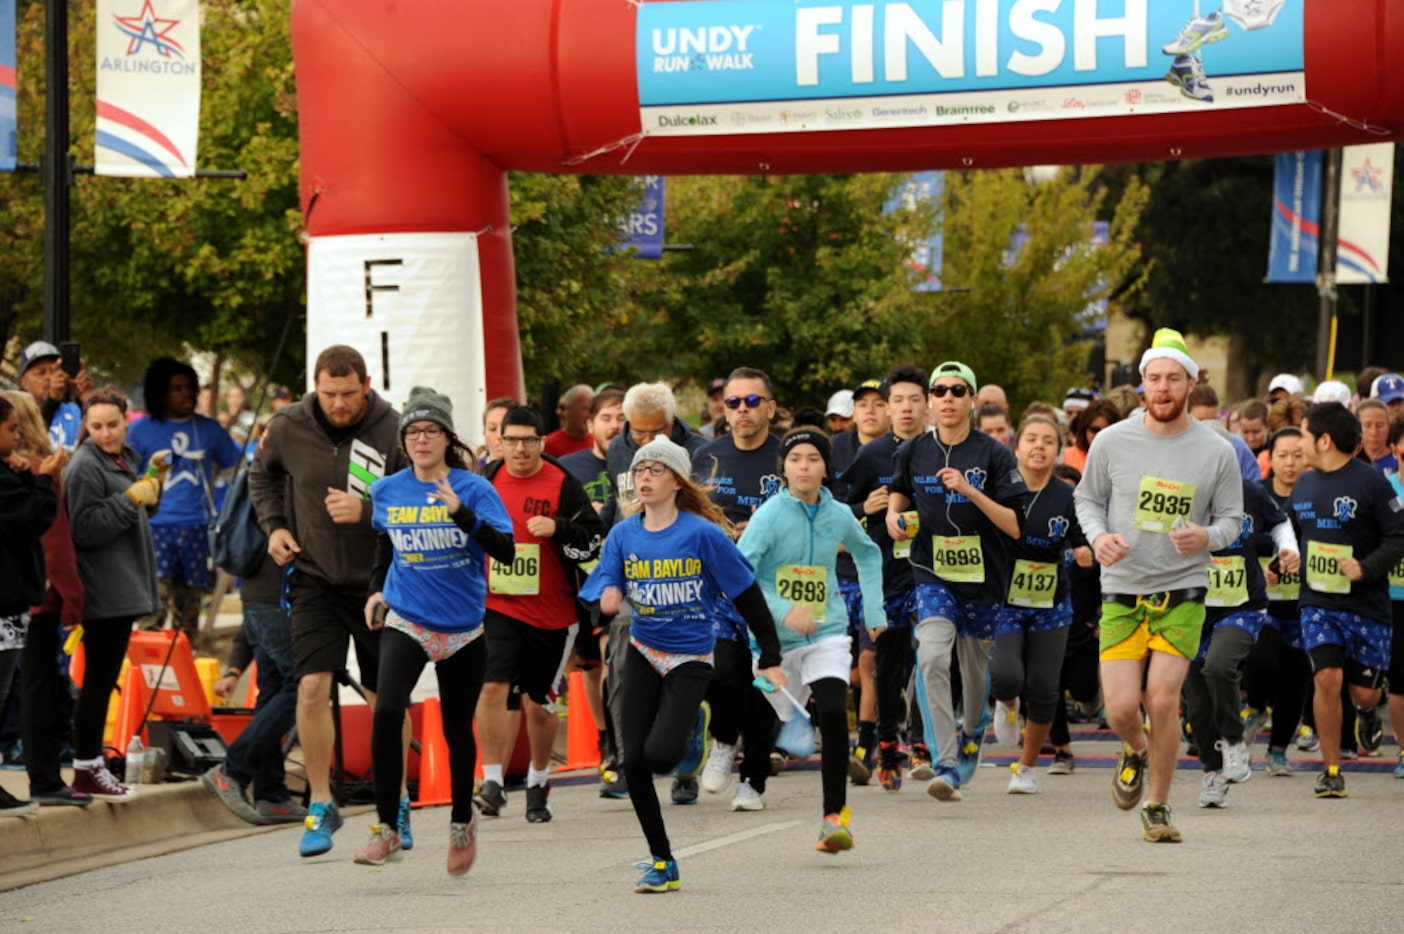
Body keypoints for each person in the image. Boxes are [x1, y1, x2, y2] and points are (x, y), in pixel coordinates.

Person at [579, 437, 785, 893]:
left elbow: (745, 592)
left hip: (691, 655)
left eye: (656, 470)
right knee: (634, 761)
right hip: (644, 651)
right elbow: (603, 584)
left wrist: (768, 652)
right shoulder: (624, 534)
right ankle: (662, 861)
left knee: (663, 756)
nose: (645, 478)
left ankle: (699, 720)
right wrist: (605, 601)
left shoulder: (701, 534)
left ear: (676, 481)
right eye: (640, 471)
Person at [1074, 328, 1242, 843]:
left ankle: (1159, 805)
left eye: (1173, 378)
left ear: (1192, 383)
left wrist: (1206, 536)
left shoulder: (1216, 450)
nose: (1163, 388)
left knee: (1162, 701)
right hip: (1123, 587)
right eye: (1154, 379)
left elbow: (1234, 520)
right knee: (1124, 709)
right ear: (1143, 383)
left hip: (1182, 589)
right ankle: (1136, 749)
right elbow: (1087, 500)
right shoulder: (1112, 440)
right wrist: (1099, 538)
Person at [249, 345, 407, 856]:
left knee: (386, 699)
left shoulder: (393, 430)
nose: (338, 404)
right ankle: (321, 803)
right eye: (328, 393)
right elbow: (263, 475)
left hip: (380, 581)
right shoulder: (289, 425)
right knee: (312, 685)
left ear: (366, 385)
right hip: (314, 577)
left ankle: (396, 801)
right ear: (315, 386)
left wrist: (367, 511)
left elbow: (420, 498)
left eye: (348, 394)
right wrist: (274, 528)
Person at [358, 387, 515, 874]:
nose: (421, 439)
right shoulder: (387, 490)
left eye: (431, 431)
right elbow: (385, 545)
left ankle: (462, 821)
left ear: (448, 438)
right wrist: (376, 589)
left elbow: (505, 552)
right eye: (412, 432)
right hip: (407, 616)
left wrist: (461, 516)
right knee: (386, 710)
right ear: (403, 441)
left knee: (454, 728)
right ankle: (387, 827)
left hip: (463, 628)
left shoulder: (474, 489)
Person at [887, 361, 1032, 802]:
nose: (947, 397)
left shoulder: (993, 454)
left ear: (972, 402)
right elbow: (900, 493)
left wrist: (971, 492)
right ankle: (945, 762)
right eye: (940, 390)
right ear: (931, 401)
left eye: (957, 390)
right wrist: (894, 516)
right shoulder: (913, 451)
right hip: (931, 572)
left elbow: (1015, 526)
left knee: (973, 675)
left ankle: (973, 729)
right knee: (931, 656)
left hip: (983, 578)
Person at [738, 427, 885, 851]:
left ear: (826, 467)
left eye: (813, 459)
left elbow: (868, 552)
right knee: (770, 722)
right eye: (796, 459)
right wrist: (784, 611)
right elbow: (739, 574)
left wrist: (874, 612)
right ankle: (752, 778)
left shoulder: (838, 513)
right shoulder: (768, 516)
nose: (804, 466)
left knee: (836, 711)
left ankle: (833, 819)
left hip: (826, 632)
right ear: (783, 468)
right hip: (772, 642)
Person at [475, 406, 603, 822]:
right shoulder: (487, 480)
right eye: (510, 439)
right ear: (499, 441)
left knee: (539, 702)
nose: (519, 448)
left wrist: (559, 528)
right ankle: (491, 780)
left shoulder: (563, 483)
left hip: (552, 611)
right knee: (492, 684)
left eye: (528, 440)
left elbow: (595, 540)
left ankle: (538, 779)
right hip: (499, 604)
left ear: (541, 442)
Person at [1289, 402, 1404, 798]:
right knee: (1326, 676)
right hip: (1318, 603)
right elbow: (1287, 534)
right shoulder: (1303, 485)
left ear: (1323, 439)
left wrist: (1366, 568)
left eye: (1302, 434)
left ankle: (1368, 714)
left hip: (1367, 605)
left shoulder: (1372, 483)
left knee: (1365, 692)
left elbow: (1399, 536)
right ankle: (1331, 768)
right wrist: (1282, 558)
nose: (1298, 442)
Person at [201, 426, 306, 827]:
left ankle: (271, 792)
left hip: (260, 596)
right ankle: (234, 770)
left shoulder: (259, 475)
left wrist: (233, 668)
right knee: (300, 683)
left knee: (275, 689)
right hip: (274, 596)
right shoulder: (281, 480)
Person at [691, 367, 784, 809]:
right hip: (718, 592)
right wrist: (721, 533)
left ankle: (754, 781)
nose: (742, 410)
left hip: (774, 590)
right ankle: (724, 739)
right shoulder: (705, 457)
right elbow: (686, 518)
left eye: (752, 401)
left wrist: (763, 534)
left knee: (760, 685)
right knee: (721, 674)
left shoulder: (789, 458)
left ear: (771, 407)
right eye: (733, 403)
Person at [66, 387, 164, 801]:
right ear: (86, 428)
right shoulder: (85, 466)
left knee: (104, 681)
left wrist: (152, 485)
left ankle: (92, 765)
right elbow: (84, 529)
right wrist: (129, 499)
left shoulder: (122, 458)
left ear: (127, 422)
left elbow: (138, 512)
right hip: (103, 591)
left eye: (113, 425)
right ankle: (87, 766)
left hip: (125, 588)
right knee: (97, 683)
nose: (106, 433)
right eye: (97, 427)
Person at [1182, 477, 1297, 808]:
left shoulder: (1250, 491)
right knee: (1198, 701)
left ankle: (1234, 740)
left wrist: (1288, 549)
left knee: (1219, 665)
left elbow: (1279, 522)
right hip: (1191, 607)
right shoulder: (1178, 487)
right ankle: (1213, 774)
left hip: (1242, 605)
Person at [991, 414, 1090, 794]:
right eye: (1031, 438)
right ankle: (1006, 702)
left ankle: (1026, 767)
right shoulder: (1001, 489)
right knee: (1007, 676)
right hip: (1005, 599)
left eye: (1048, 440)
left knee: (1046, 687)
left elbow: (1083, 533)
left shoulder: (1068, 497)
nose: (1039, 446)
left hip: (1051, 600)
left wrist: (1084, 549)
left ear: (1058, 449)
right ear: (1017, 446)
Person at [842, 363, 930, 788]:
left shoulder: (940, 450)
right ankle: (889, 743)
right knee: (888, 664)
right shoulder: (872, 455)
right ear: (889, 407)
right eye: (898, 400)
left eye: (915, 399)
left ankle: (923, 740)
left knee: (933, 655)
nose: (906, 408)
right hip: (886, 572)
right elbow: (839, 510)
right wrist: (866, 510)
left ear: (928, 404)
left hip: (933, 571)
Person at [2, 392, 87, 806]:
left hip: (28, 595)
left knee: (35, 688)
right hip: (31, 597)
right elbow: (46, 530)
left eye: (19, 426)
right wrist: (71, 594)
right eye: (10, 426)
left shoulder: (20, 467)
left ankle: (47, 775)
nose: (16, 434)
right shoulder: (35, 470)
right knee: (34, 689)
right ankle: (46, 778)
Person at [125, 358, 243, 645]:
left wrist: (221, 507)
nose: (186, 394)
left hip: (197, 529)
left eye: (189, 387)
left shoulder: (209, 430)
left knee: (188, 618)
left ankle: (184, 672)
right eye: (176, 388)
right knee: (151, 611)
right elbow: (125, 474)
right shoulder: (140, 431)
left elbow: (235, 469)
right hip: (154, 529)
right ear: (160, 392)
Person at [558, 387, 627, 793]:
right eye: (606, 418)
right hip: (580, 581)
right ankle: (606, 739)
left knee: (613, 658)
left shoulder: (638, 464)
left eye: (621, 418)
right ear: (590, 425)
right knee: (592, 666)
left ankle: (620, 744)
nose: (614, 426)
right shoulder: (569, 467)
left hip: (624, 582)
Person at [0, 393, 62, 815]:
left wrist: (22, 473)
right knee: (0, 691)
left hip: (12, 601)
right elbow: (33, 518)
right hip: (4, 603)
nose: (18, 435)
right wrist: (44, 479)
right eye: (11, 429)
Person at [829, 378, 889, 784]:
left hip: (882, 573)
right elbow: (820, 509)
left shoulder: (903, 450)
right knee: (835, 664)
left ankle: (865, 745)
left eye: (878, 403)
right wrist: (861, 508)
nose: (868, 410)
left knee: (871, 662)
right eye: (861, 403)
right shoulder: (836, 451)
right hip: (834, 573)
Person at [1242, 428, 1312, 776]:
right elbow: (1243, 538)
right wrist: (1263, 566)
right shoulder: (1257, 495)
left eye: (1298, 455)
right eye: (1282, 455)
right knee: (1262, 660)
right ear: (1270, 457)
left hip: (1303, 603)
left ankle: (1278, 751)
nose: (1290, 463)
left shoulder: (1317, 492)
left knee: (1296, 679)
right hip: (1262, 601)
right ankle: (1255, 705)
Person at [16, 341, 82, 452]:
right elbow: (26, 443)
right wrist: (52, 402)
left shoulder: (74, 410)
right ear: (24, 382)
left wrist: (84, 398)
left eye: (54, 371)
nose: (49, 377)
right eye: (41, 373)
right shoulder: (14, 411)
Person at [1064, 399, 1121, 474]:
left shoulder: (1126, 457)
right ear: (1084, 430)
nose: (1101, 435)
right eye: (1095, 430)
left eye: (1107, 430)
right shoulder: (1066, 456)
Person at [544, 384, 595, 459]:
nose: (589, 414)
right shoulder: (550, 445)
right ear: (569, 409)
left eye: (593, 409)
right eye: (585, 408)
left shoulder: (598, 442)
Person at [1355, 400, 1395, 473]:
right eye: (1367, 426)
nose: (1374, 432)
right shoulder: (1348, 462)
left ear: (1389, 426)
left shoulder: (1399, 461)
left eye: (1380, 425)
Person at [476, 396, 515, 470]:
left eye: (506, 428)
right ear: (484, 433)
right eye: (492, 429)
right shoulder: (472, 472)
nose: (500, 436)